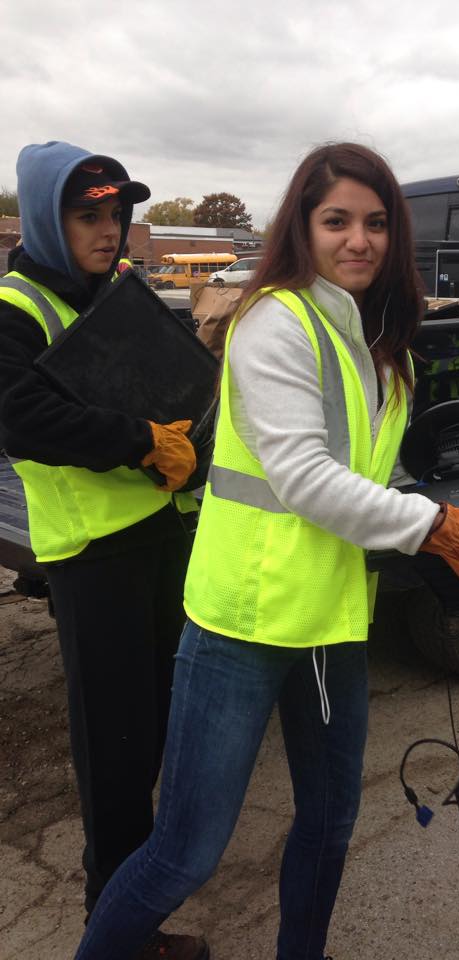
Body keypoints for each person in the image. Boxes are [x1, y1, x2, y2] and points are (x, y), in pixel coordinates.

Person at [74, 142, 459, 960]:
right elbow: (302, 478)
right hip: (243, 625)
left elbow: (370, 476)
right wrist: (438, 531)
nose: (357, 240)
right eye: (337, 222)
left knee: (329, 825)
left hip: (329, 619)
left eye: (375, 223)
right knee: (186, 850)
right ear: (303, 226)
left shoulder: (373, 339)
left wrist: (446, 533)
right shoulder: (275, 322)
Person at [0, 141, 209, 960]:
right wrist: (139, 442)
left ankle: (132, 907)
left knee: (154, 727)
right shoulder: (16, 305)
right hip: (94, 557)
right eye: (89, 215)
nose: (109, 229)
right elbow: (19, 419)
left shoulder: (115, 289)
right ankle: (115, 932)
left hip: (159, 534)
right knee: (115, 755)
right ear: (51, 219)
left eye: (117, 214)